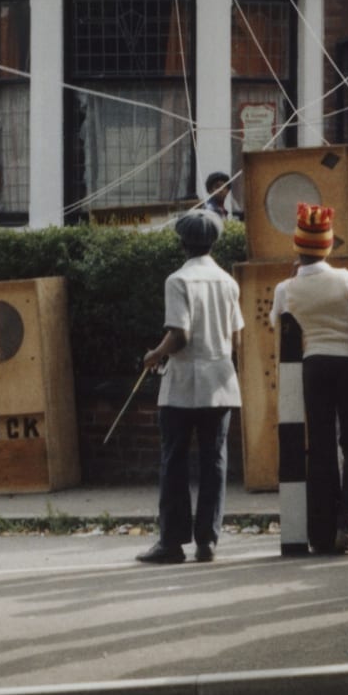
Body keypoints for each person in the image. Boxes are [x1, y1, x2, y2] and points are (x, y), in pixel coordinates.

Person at [137, 208, 243, 565]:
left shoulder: (177, 280)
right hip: (220, 380)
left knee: (175, 459)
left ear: (182, 242)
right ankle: (207, 540)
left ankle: (171, 542)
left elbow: (179, 336)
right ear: (213, 242)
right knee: (214, 460)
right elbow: (236, 337)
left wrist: (155, 353)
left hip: (183, 381)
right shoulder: (229, 282)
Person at [271, 204, 348, 553]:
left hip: (313, 365)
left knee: (320, 447)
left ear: (298, 247)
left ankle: (321, 532)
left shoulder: (285, 289)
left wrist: (292, 279)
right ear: (328, 246)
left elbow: (278, 323)